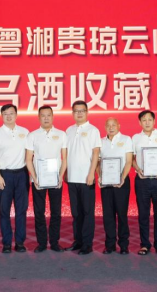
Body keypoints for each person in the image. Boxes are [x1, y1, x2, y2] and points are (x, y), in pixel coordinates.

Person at [25, 105, 68, 253]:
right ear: (38, 117)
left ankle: (55, 242)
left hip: (56, 179)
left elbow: (64, 158)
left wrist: (60, 176)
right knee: (39, 212)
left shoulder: (61, 134)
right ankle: (42, 243)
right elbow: (28, 159)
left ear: (53, 116)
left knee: (56, 212)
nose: (46, 118)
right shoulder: (32, 135)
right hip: (38, 180)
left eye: (48, 115)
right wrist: (34, 177)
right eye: (43, 115)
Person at [0, 104, 30, 253]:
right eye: (5, 114)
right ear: (2, 116)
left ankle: (20, 242)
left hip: (22, 174)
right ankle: (6, 243)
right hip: (4, 175)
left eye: (11, 113)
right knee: (4, 210)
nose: (9, 116)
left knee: (21, 210)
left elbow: (30, 155)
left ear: (16, 115)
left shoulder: (25, 132)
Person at [65, 100, 101, 255]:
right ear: (72, 113)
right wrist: (65, 172)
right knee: (76, 213)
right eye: (76, 111)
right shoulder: (69, 130)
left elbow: (96, 153)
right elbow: (66, 154)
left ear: (87, 112)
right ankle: (78, 241)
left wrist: (92, 173)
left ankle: (87, 244)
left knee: (87, 212)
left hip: (87, 178)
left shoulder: (93, 130)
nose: (79, 113)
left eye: (82, 111)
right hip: (72, 177)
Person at [132, 110, 157, 256]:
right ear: (139, 122)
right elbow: (131, 158)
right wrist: (137, 169)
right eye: (144, 120)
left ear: (154, 121)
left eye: (149, 120)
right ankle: (145, 244)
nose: (147, 122)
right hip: (142, 180)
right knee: (143, 214)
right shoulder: (135, 138)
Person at [98, 118, 133, 255]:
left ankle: (124, 245)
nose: (111, 127)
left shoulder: (126, 139)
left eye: (114, 125)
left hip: (122, 182)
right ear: (105, 127)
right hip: (106, 182)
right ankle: (110, 245)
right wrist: (100, 176)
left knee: (122, 214)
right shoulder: (100, 141)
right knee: (108, 214)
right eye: (108, 125)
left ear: (119, 126)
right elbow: (98, 162)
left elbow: (129, 161)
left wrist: (122, 177)